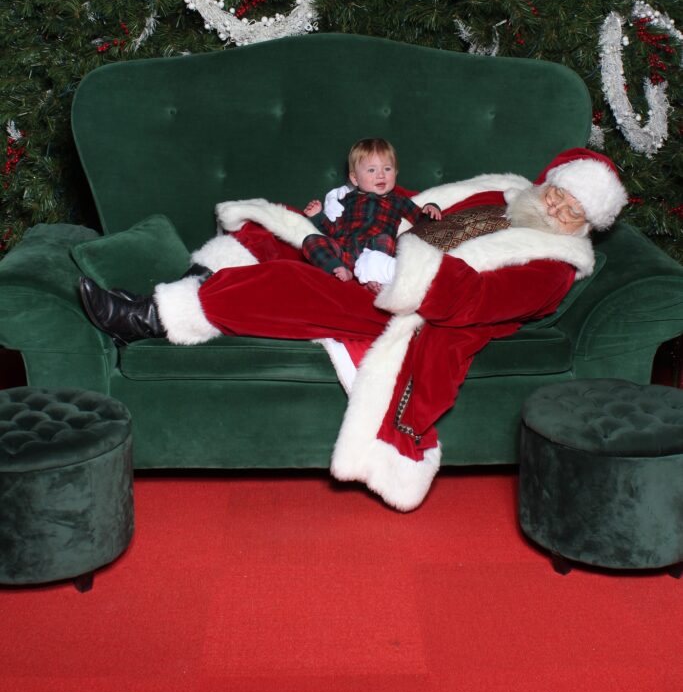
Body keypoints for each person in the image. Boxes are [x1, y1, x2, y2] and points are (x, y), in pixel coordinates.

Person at [79, 147, 628, 512]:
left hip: (413, 303)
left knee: (296, 287)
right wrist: (361, 222)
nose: (555, 207)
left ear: (586, 225)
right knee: (284, 233)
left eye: (571, 210)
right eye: (558, 193)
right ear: (548, 182)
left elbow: (475, 301)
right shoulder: (503, 193)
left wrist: (403, 273)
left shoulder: (553, 266)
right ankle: (194, 282)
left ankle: (152, 317)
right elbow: (418, 205)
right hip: (379, 256)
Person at [301, 137, 441, 282]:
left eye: (387, 169)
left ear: (395, 173)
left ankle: (373, 278)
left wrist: (431, 208)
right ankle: (338, 268)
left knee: (385, 240)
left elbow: (421, 219)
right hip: (344, 250)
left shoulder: (399, 201)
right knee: (311, 240)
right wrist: (317, 216)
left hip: (373, 253)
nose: (381, 175)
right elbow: (334, 229)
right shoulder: (347, 199)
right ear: (355, 179)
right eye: (371, 170)